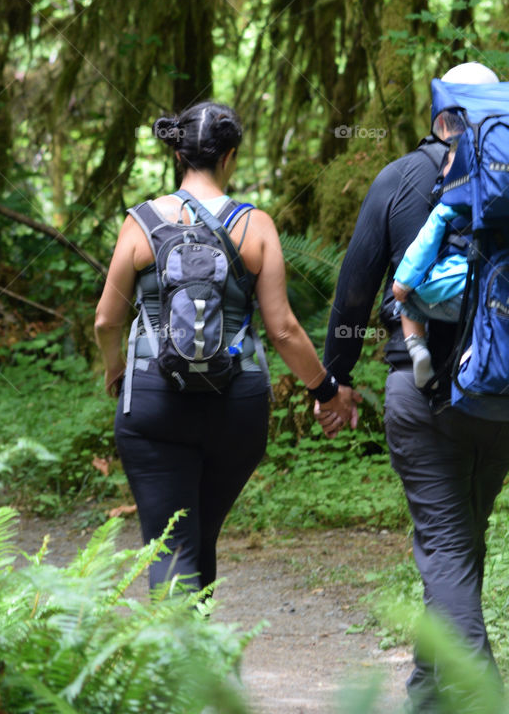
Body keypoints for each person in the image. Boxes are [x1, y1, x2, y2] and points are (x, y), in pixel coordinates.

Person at [319, 62, 509, 712]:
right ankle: (427, 697)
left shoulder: (401, 177)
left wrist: (331, 382)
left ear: (438, 112)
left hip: (422, 399)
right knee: (460, 547)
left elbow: (355, 290)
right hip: (507, 396)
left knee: (446, 549)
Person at [94, 99, 357, 593]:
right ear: (229, 156)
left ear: (178, 155)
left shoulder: (141, 222)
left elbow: (107, 320)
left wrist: (115, 372)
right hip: (236, 410)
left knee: (173, 548)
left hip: (153, 404)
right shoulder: (256, 226)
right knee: (198, 540)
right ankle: (197, 661)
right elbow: (282, 330)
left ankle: (181, 665)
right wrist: (326, 391)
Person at [392, 111, 468, 388]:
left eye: (448, 163)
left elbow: (422, 249)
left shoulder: (447, 207)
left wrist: (403, 283)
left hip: (453, 291)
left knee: (406, 302)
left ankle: (417, 350)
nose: (444, 169)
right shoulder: (493, 206)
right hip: (490, 295)